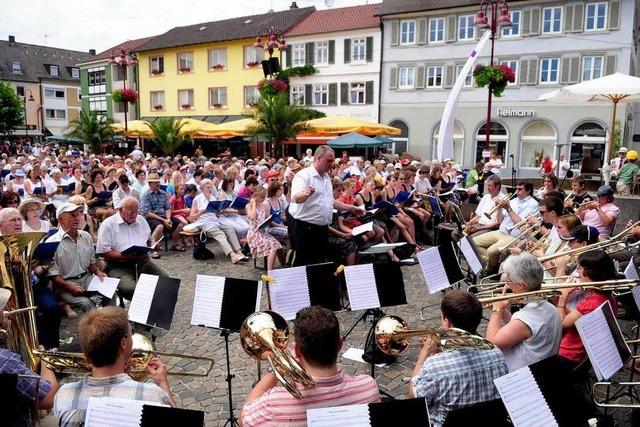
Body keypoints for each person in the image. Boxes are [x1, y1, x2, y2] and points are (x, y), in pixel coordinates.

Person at [241, 306, 380, 426]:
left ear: (297, 351)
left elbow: (244, 418)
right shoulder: (368, 387)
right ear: (340, 345)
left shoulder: (274, 403)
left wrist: (276, 367)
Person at [54, 307, 174, 425]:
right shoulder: (152, 395)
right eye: (131, 332)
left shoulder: (63, 394)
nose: (132, 335)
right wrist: (162, 383)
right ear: (123, 343)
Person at [410, 290, 508, 426]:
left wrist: (425, 352)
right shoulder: (496, 353)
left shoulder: (433, 366)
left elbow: (414, 398)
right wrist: (436, 355)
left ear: (448, 322)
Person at [486, 253, 562, 371]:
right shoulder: (550, 308)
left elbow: (492, 345)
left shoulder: (526, 319)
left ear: (521, 285)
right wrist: (504, 310)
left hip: (522, 377)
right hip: (544, 370)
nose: (507, 283)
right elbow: (517, 329)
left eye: (509, 279)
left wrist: (497, 310)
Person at [288, 146, 363, 266]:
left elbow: (331, 202)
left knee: (319, 264)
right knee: (303, 265)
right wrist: (306, 194)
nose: (332, 164)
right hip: (305, 228)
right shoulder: (303, 175)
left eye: (333, 161)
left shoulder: (326, 178)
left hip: (322, 229)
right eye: (329, 161)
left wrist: (352, 208)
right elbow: (296, 198)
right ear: (318, 158)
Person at [0, 289, 59, 426]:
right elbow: (48, 399)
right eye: (2, 310)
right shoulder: (5, 360)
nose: (4, 313)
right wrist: (45, 358)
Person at [96, 197, 169, 301]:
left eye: (136, 211)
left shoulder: (141, 220)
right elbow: (104, 252)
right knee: (130, 289)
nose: (134, 215)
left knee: (165, 281)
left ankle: (155, 306)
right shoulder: (108, 224)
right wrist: (125, 256)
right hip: (119, 264)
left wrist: (153, 243)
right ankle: (141, 309)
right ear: (120, 210)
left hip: (142, 260)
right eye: (130, 211)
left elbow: (148, 240)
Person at [48, 203, 110, 313]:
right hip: (65, 284)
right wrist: (70, 287)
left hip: (86, 278)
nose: (77, 218)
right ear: (61, 220)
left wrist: (98, 271)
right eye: (72, 215)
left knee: (110, 292)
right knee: (87, 304)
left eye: (78, 215)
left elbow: (91, 263)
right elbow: (54, 276)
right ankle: (97, 328)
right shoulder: (52, 242)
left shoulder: (86, 236)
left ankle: (111, 323)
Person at [473, 181, 540, 273]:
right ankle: (492, 263)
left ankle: (489, 270)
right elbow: (500, 221)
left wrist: (508, 208)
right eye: (516, 189)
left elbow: (521, 223)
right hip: (501, 231)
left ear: (528, 191)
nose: (517, 192)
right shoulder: (513, 201)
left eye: (520, 189)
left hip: (514, 236)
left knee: (491, 251)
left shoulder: (533, 204)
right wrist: (500, 208)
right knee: (474, 242)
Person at [139, 172, 184, 257]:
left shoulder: (163, 193)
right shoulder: (145, 196)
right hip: (150, 218)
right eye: (155, 182)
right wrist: (164, 220)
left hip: (163, 216)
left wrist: (168, 218)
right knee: (159, 226)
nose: (158, 183)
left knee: (180, 224)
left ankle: (174, 244)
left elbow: (167, 207)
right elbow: (147, 213)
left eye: (158, 181)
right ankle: (152, 248)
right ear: (150, 184)